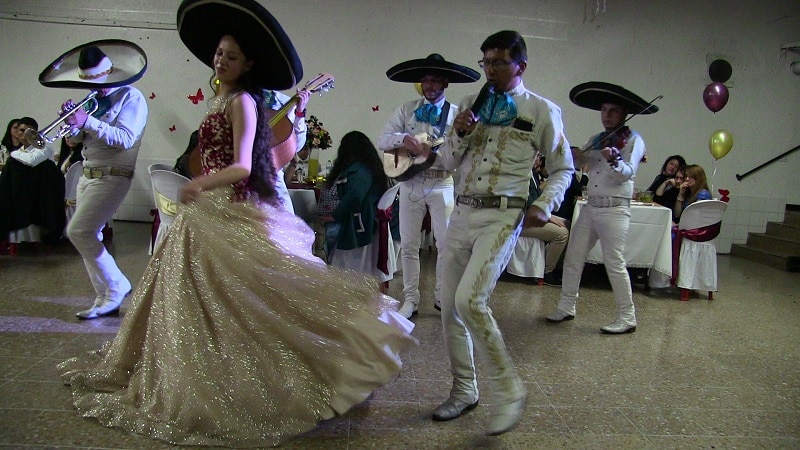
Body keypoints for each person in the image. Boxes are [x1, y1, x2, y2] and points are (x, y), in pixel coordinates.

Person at [58, 1, 415, 447]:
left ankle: (340, 357)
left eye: (231, 55)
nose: (220, 60)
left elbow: (244, 166)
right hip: (209, 208)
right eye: (219, 53)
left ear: (248, 64)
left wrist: (198, 184)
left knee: (262, 294)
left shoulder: (245, 101)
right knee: (205, 299)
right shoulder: (220, 97)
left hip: (229, 204)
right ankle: (205, 366)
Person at [429, 30, 574, 436]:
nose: (490, 70)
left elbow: (563, 167)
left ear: (520, 66)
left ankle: (509, 391)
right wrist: (458, 131)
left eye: (499, 63)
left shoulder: (542, 110)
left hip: (503, 216)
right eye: (486, 62)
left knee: (471, 300)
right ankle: (464, 390)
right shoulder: (468, 104)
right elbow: (446, 160)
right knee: (449, 308)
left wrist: (543, 204)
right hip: (462, 212)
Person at [37, 40, 149, 319]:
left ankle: (116, 286)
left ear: (112, 73)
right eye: (91, 82)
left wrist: (87, 121)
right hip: (88, 173)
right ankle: (105, 296)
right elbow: (76, 142)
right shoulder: (95, 100)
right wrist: (73, 125)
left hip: (114, 174)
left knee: (79, 232)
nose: (97, 87)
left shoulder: (131, 97)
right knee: (90, 235)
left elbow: (124, 139)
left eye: (100, 81)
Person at [546, 81, 658, 334]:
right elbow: (581, 162)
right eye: (604, 110)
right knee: (573, 257)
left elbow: (627, 174)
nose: (607, 116)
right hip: (591, 206)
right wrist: (572, 154)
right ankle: (566, 306)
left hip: (615, 209)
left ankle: (628, 316)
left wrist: (614, 159)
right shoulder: (596, 139)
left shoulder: (633, 140)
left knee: (614, 262)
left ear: (624, 113)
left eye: (613, 111)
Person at [378, 53, 481, 318]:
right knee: (410, 244)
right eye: (425, 81)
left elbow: (465, 151)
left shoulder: (458, 115)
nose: (430, 86)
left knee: (445, 245)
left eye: (435, 81)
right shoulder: (406, 109)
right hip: (410, 183)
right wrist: (405, 139)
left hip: (442, 183)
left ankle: (441, 297)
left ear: (445, 83)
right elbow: (383, 140)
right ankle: (410, 298)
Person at [322, 131, 392, 287]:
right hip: (370, 218)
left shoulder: (360, 170)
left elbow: (354, 196)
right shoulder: (368, 167)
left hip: (360, 220)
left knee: (321, 228)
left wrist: (335, 215)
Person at [0, 117, 66, 253]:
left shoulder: (45, 148)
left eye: (28, 131)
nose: (24, 135)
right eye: (21, 131)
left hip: (40, 197)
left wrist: (13, 154)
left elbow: (32, 160)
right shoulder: (18, 152)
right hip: (19, 194)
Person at [522, 149, 585, 286]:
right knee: (562, 234)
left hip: (533, 215)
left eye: (539, 156)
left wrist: (549, 216)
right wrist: (549, 217)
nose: (539, 160)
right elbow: (528, 204)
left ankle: (560, 267)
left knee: (571, 224)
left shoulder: (533, 173)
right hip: (522, 220)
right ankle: (547, 272)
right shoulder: (523, 174)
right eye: (538, 156)